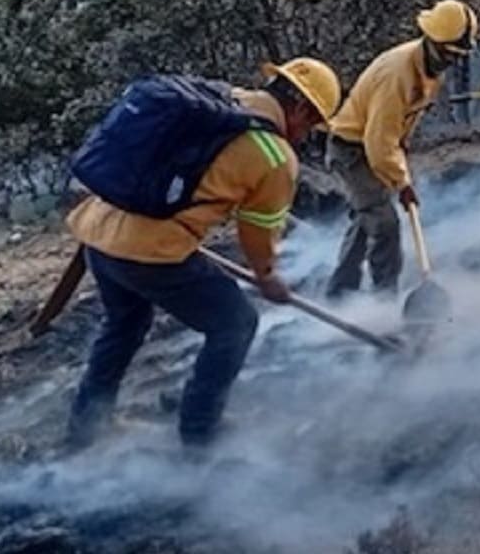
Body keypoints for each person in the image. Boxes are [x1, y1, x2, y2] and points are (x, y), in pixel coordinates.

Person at [64, 58, 342, 452]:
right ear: (300, 109)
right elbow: (257, 234)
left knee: (124, 324)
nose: (305, 135)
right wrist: (267, 276)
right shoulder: (275, 155)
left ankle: (86, 426)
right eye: (311, 124)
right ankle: (200, 434)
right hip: (149, 253)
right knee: (235, 323)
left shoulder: (221, 99)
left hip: (97, 232)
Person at [324, 0, 477, 296]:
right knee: (385, 224)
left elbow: (398, 127)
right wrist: (402, 182)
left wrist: (400, 157)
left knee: (366, 217)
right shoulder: (397, 75)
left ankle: (339, 291)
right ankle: (385, 299)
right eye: (449, 54)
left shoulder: (429, 67)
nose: (452, 61)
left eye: (457, 55)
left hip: (376, 147)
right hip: (353, 150)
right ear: (432, 41)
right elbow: (378, 141)